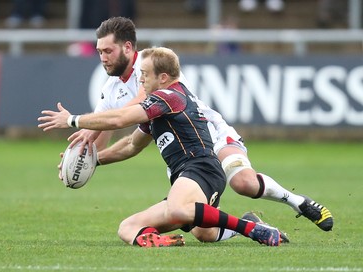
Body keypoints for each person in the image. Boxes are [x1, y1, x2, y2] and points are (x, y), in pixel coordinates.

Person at [61, 17, 333, 240]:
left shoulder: (154, 64)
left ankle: (297, 202)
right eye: (99, 51)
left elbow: (124, 114)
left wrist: (79, 120)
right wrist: (86, 159)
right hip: (184, 155)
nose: (102, 57)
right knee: (204, 232)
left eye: (108, 51)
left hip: (210, 135)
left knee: (243, 183)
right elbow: (119, 140)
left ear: (128, 48)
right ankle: (251, 225)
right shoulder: (110, 90)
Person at [38, 47, 286, 247]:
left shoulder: (170, 96)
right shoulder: (158, 109)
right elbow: (131, 145)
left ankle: (251, 230)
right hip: (185, 180)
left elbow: (119, 119)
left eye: (144, 74)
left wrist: (73, 120)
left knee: (179, 209)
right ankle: (236, 226)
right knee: (129, 228)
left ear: (163, 78)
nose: (140, 78)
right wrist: (93, 161)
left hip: (202, 169)